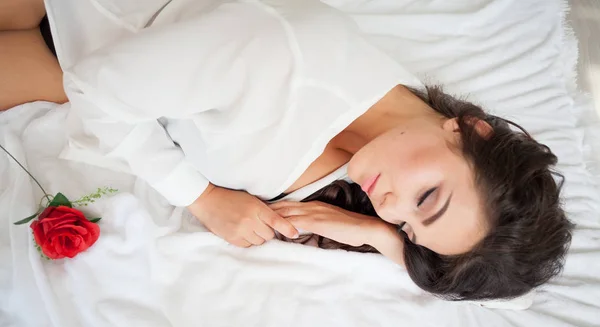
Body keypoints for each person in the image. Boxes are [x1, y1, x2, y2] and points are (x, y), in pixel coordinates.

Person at [5, 0, 573, 301]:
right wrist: (202, 197)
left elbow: (492, 283)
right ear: (472, 131)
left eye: (407, 226)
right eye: (426, 199)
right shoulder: (281, 57)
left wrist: (384, 237)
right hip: (81, 32)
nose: (392, 206)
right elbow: (93, 91)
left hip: (96, 67)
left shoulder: (397, 130)